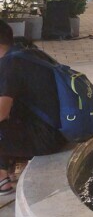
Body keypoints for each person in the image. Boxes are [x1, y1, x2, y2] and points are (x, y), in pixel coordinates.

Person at [0, 20, 67, 195]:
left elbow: (1, 113)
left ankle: (2, 180)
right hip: (59, 132)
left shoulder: (8, 66)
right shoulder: (29, 53)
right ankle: (7, 170)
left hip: (45, 140)